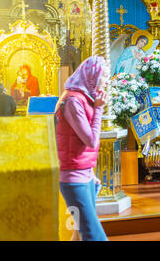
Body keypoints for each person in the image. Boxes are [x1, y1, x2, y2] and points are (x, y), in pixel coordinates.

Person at [55, 55, 109, 241]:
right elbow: (91, 141)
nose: (106, 82)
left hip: (84, 175)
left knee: (79, 234)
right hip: (73, 179)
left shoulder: (84, 99)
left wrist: (90, 172)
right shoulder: (73, 102)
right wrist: (99, 108)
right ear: (91, 75)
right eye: (104, 76)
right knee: (94, 235)